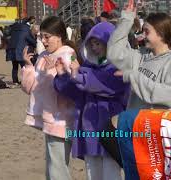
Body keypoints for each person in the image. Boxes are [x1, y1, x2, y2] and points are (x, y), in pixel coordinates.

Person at [54, 22, 129, 180]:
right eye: (92, 43)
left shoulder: (119, 67)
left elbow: (104, 84)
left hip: (111, 122)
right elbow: (75, 92)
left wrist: (78, 76)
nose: (95, 47)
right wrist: (63, 76)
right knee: (91, 169)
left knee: (111, 169)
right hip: (89, 125)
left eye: (99, 43)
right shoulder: (86, 67)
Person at [20, 16, 76, 180]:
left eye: (47, 36)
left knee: (58, 166)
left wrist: (55, 73)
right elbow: (30, 88)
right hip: (48, 117)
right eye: (41, 36)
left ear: (59, 36)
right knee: (53, 163)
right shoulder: (43, 56)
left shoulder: (68, 55)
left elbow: (71, 89)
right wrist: (28, 66)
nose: (43, 41)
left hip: (62, 119)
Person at [107, 1, 171, 110]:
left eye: (147, 32)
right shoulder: (141, 54)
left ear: (161, 33)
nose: (143, 35)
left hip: (155, 124)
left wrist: (133, 76)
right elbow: (114, 54)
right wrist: (126, 20)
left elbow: (170, 96)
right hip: (135, 122)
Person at [6, 18, 37, 84]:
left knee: (14, 66)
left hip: (11, 49)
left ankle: (15, 81)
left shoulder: (14, 28)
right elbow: (29, 38)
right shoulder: (25, 28)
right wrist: (35, 43)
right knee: (24, 66)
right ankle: (25, 80)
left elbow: (8, 36)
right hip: (20, 49)